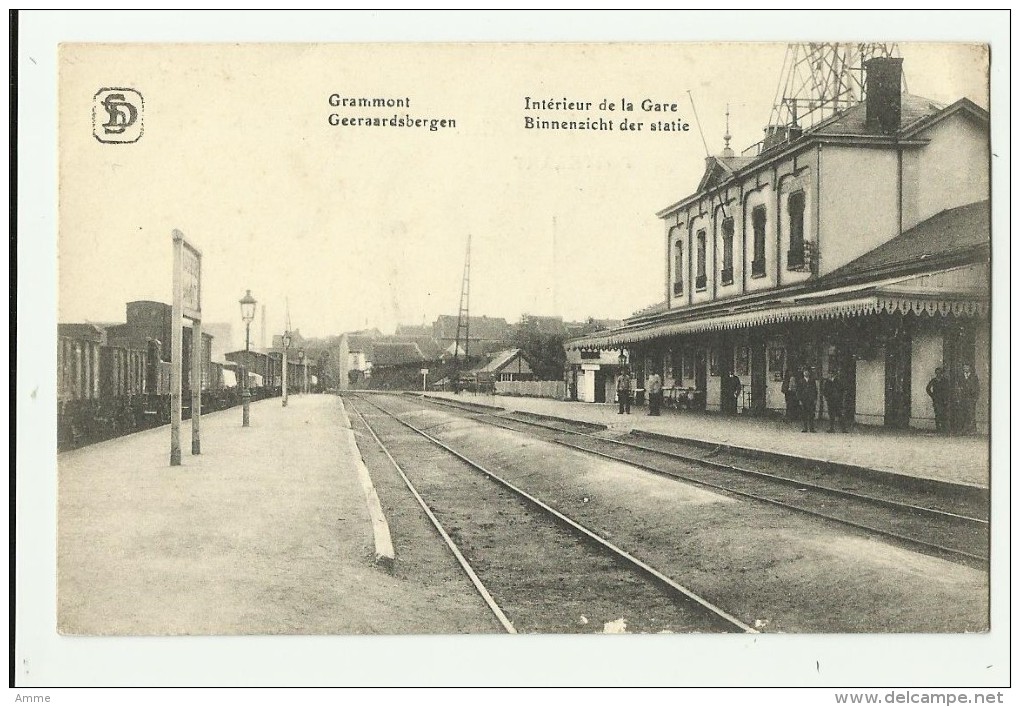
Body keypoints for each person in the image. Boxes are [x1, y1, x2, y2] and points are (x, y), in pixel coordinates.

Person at [956, 363, 980, 434]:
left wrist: (975, 398)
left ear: (969, 368)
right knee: (963, 413)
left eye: (967, 367)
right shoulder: (960, 377)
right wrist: (959, 397)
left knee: (971, 414)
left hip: (971, 398)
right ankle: (963, 430)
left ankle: (972, 430)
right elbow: (958, 388)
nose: (965, 368)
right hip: (963, 398)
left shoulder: (974, 377)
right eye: (964, 367)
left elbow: (977, 388)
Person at [925, 367, 950, 434]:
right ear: (935, 373)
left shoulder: (945, 381)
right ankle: (939, 429)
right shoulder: (933, 380)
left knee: (944, 414)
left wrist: (946, 398)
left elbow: (948, 390)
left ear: (942, 373)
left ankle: (944, 429)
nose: (938, 374)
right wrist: (933, 396)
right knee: (938, 414)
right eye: (937, 373)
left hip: (944, 400)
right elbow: (928, 388)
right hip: (937, 400)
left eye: (940, 373)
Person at [797, 367, 818, 433]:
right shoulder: (801, 381)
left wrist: (815, 399)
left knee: (811, 414)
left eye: (807, 371)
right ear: (803, 373)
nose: (806, 373)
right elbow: (798, 391)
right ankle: (805, 428)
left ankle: (812, 428)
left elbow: (815, 390)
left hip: (811, 399)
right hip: (804, 399)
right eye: (804, 372)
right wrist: (800, 400)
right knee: (804, 414)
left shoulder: (812, 381)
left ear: (809, 373)